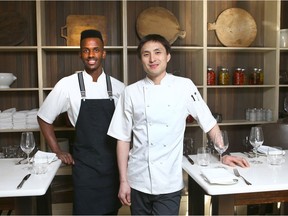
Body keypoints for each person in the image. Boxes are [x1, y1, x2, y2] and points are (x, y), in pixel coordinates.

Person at [107, 34, 249, 215]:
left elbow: (209, 123)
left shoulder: (184, 86)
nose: (152, 59)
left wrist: (223, 153)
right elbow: (123, 138)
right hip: (138, 179)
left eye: (157, 52)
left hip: (169, 181)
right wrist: (124, 181)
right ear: (140, 59)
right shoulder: (131, 92)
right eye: (146, 54)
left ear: (167, 56)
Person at [37, 29, 125, 215]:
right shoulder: (67, 85)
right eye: (86, 50)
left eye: (95, 49)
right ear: (80, 54)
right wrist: (57, 150)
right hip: (84, 167)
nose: (91, 55)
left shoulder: (119, 88)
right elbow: (44, 117)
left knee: (110, 212)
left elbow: (127, 128)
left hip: (111, 167)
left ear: (103, 53)